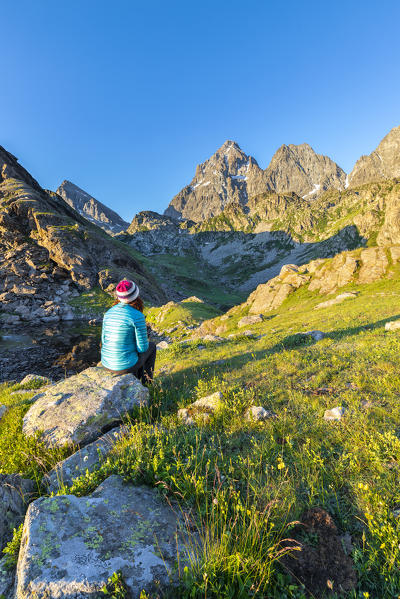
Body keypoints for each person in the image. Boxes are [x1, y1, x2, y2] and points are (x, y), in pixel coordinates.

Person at [100, 279, 156, 385]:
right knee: (151, 347)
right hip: (124, 367)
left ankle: (137, 378)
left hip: (106, 363)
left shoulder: (108, 313)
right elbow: (142, 348)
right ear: (135, 295)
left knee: (134, 350)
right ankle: (147, 384)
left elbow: (103, 340)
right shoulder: (137, 315)